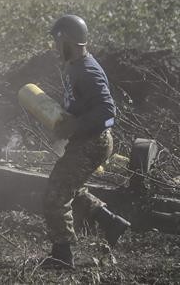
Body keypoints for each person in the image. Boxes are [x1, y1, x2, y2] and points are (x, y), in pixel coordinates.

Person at [42, 15, 130, 268]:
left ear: (68, 41)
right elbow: (81, 105)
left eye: (57, 42)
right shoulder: (73, 65)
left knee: (55, 193)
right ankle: (111, 221)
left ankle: (62, 255)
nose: (55, 48)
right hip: (86, 140)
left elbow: (107, 111)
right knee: (71, 187)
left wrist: (75, 126)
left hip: (93, 142)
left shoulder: (88, 71)